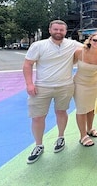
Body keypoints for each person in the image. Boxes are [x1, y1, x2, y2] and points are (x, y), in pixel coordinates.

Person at [23, 20, 83, 164]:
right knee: (37, 117)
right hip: (42, 87)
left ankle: (61, 137)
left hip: (65, 86)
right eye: (56, 29)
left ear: (65, 31)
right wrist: (29, 84)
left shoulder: (72, 44)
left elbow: (91, 47)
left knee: (61, 112)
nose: (58, 32)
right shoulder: (38, 45)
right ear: (50, 30)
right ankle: (38, 145)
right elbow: (27, 64)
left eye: (61, 30)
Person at [73, 33, 97, 147]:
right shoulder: (80, 52)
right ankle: (83, 135)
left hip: (94, 84)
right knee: (82, 109)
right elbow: (67, 65)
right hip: (80, 84)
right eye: (95, 40)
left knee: (91, 109)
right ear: (90, 40)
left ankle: (90, 129)